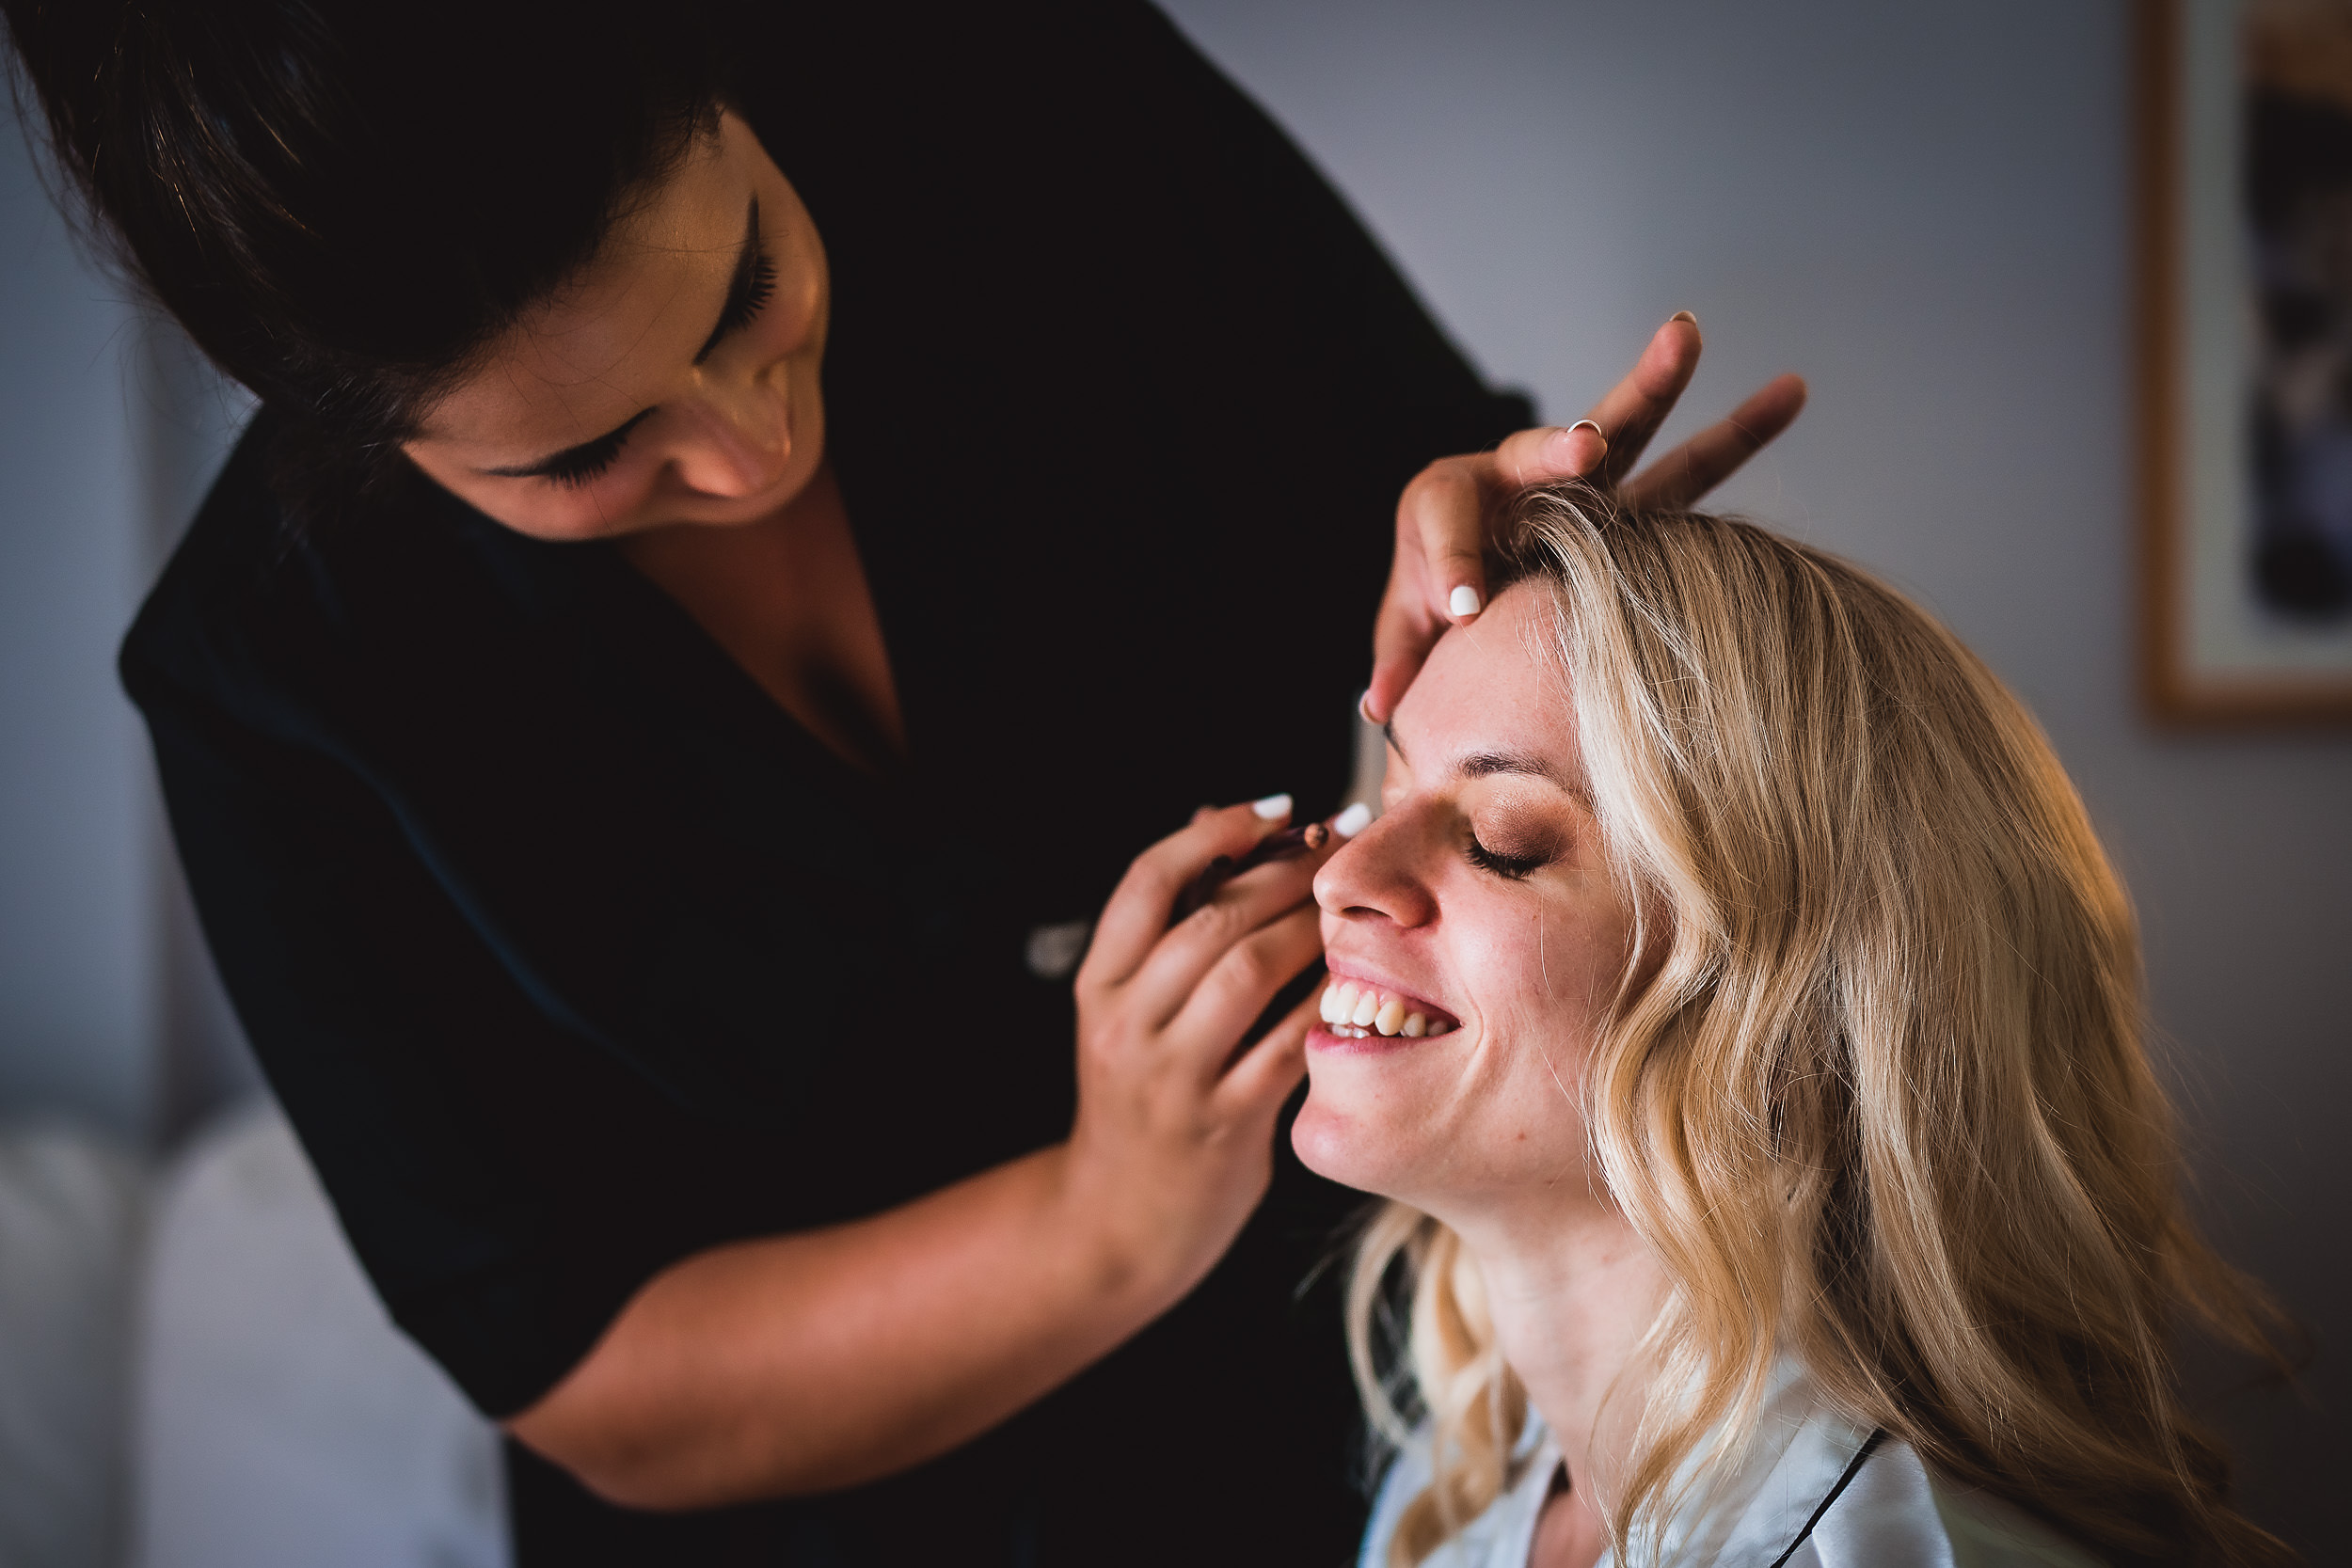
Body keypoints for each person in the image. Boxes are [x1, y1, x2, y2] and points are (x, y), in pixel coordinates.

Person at [2, 0, 1804, 1562]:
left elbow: (1422, 494)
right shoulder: (272, 694)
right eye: (590, 453)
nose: (751, 443)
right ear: (361, 434)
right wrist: (1108, 1219)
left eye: (750, 284)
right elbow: (596, 1379)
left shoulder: (1027, 96)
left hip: (1345, 1412)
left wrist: (1498, 566)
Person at [1295, 484, 2296, 1568]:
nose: (1341, 874)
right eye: (1376, 804)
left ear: (1782, 1005)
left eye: (1501, 836)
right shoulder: (1449, 1505)